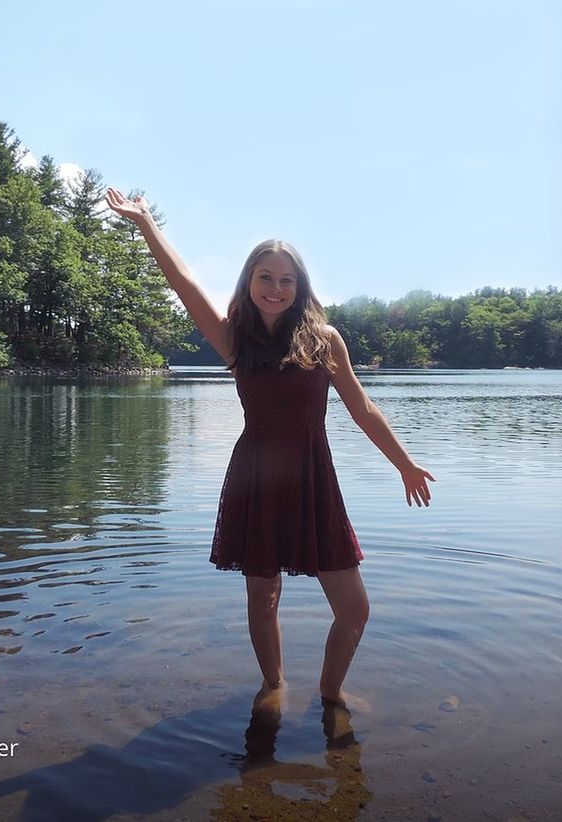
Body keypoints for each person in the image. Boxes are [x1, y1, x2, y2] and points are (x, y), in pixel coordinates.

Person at [105, 189, 435, 713]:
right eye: (266, 278)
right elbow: (185, 285)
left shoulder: (325, 340)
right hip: (255, 477)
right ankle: (273, 686)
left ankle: (330, 693)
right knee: (263, 597)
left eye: (287, 279)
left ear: (300, 286)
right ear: (250, 283)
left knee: (354, 608)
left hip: (312, 478)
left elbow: (362, 407)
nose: (276, 288)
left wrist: (404, 463)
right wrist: (146, 223)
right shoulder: (236, 340)